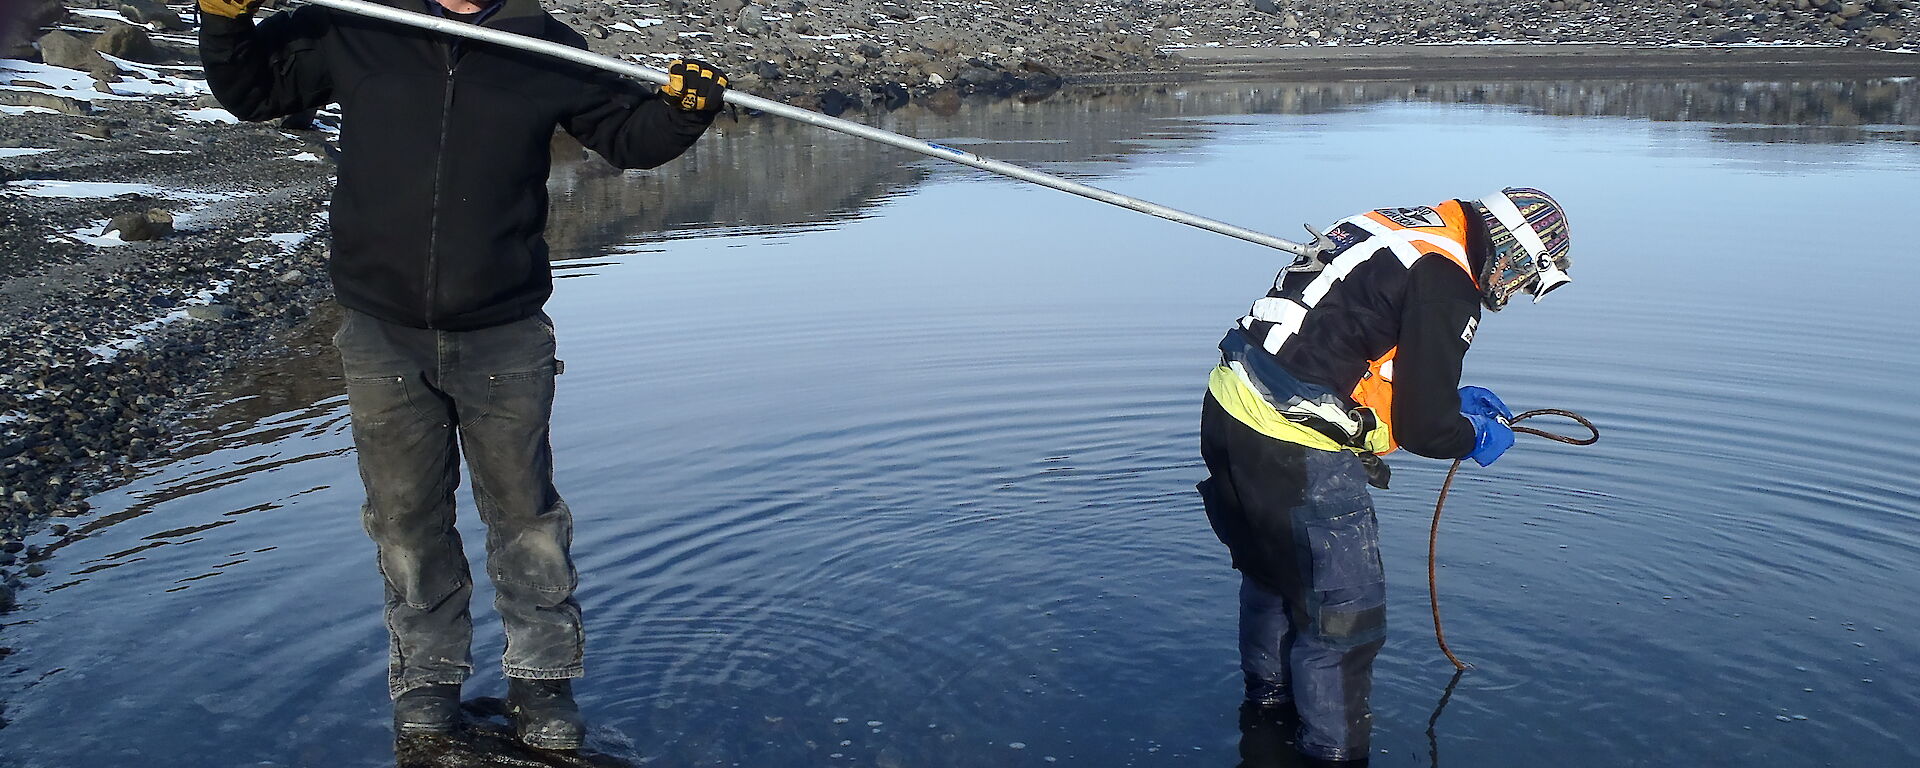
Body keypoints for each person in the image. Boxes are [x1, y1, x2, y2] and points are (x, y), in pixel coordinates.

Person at [197, 0, 728, 748]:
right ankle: (427, 683)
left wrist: (683, 113)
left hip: (504, 332)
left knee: (528, 521)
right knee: (407, 524)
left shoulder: (546, 46)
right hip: (383, 332)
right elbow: (253, 92)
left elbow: (626, 138)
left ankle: (542, 687)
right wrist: (224, 23)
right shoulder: (354, 23)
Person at [1196, 189, 1573, 764]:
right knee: (1343, 623)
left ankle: (1266, 711)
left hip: (1228, 411)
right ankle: (1333, 755)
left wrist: (1446, 396)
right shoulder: (1448, 282)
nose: (1513, 293)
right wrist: (1472, 435)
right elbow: (1426, 430)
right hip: (1293, 450)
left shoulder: (1394, 225)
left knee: (1273, 578)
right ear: (1512, 256)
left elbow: (1347, 331)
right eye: (1521, 280)